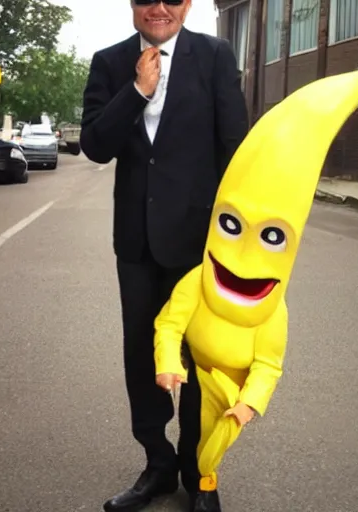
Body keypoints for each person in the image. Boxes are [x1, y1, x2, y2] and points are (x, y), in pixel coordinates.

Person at [79, 0, 249, 511]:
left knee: (199, 361)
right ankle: (157, 464)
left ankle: (199, 473)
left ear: (188, 5)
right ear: (132, 5)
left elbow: (234, 146)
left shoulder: (215, 55)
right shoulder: (109, 63)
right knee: (142, 355)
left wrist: (234, 240)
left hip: (199, 244)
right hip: (135, 241)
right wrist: (137, 91)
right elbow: (95, 145)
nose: (159, 8)